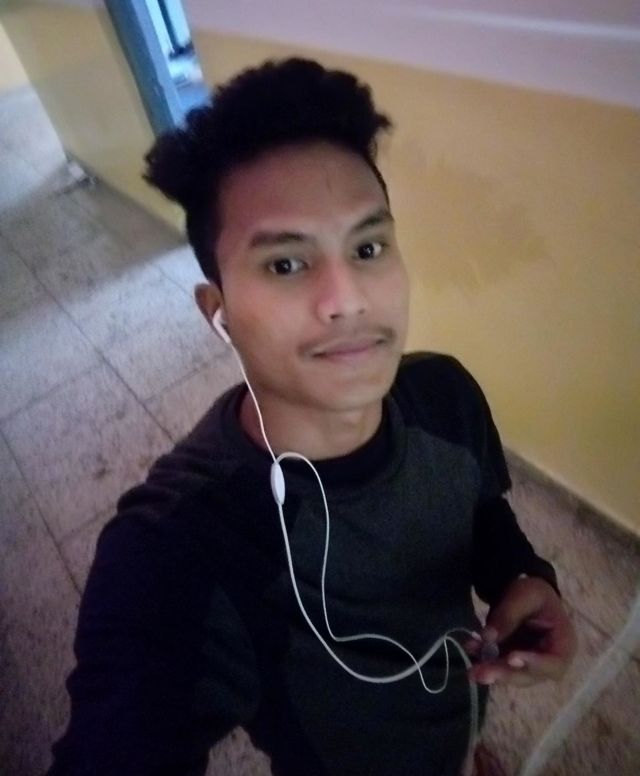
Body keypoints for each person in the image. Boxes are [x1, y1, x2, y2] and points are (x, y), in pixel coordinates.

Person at [47, 58, 576, 776]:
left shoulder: (445, 395)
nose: (348, 298)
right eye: (287, 265)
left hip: (460, 720)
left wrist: (525, 575)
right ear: (219, 313)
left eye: (368, 247)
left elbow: (480, 512)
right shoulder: (177, 547)